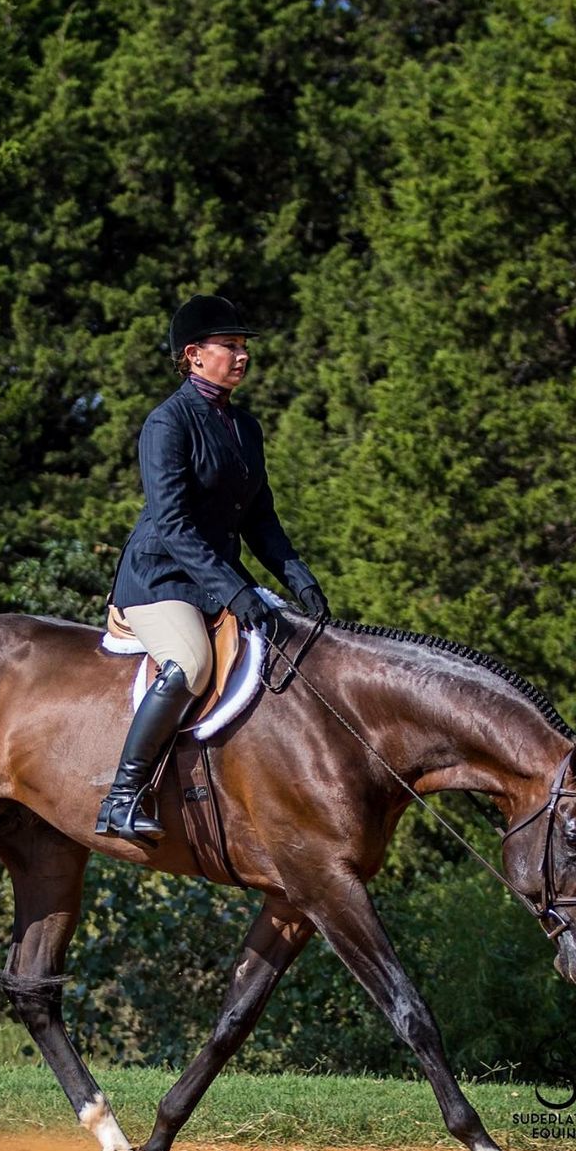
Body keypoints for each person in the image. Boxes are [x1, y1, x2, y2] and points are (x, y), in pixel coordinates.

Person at [96, 293, 329, 844]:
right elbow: (174, 525)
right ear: (195, 355)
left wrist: (299, 578)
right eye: (231, 346)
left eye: (244, 347)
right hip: (161, 577)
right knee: (191, 662)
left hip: (214, 578)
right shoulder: (166, 422)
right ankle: (122, 798)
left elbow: (260, 518)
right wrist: (236, 591)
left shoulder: (245, 427)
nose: (243, 356)